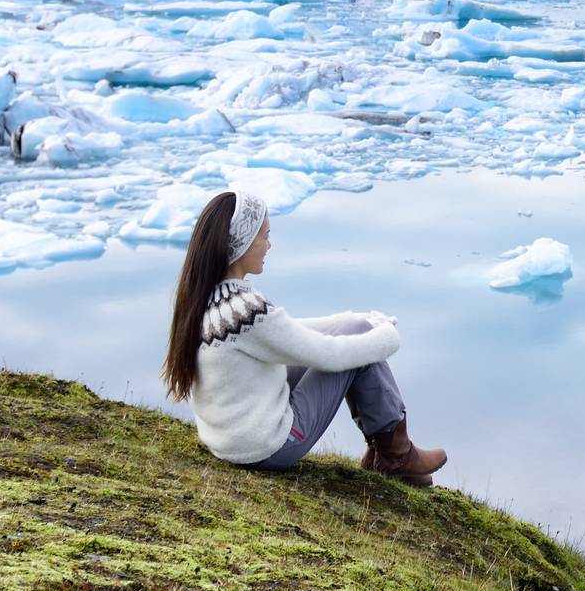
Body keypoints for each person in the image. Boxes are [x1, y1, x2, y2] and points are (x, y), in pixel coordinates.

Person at [160, 188, 445, 485]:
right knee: (355, 351)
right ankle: (396, 453)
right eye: (265, 236)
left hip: (230, 442)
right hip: (269, 448)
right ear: (242, 243)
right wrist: (386, 338)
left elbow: (287, 333)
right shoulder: (246, 311)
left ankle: (390, 453)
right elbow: (329, 356)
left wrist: (351, 322)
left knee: (355, 331)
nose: (269, 245)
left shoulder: (206, 299)